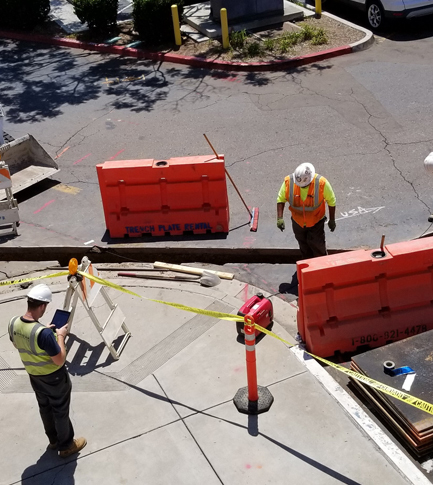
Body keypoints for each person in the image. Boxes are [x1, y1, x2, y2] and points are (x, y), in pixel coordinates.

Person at [8, 284, 86, 458]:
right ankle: (66, 446)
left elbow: (17, 343)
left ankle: (53, 440)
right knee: (60, 409)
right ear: (42, 306)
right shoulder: (43, 334)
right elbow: (59, 360)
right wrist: (59, 336)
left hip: (34, 376)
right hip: (54, 377)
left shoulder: (13, 322)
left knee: (45, 407)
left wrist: (46, 332)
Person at [276, 162, 336, 259]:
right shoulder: (289, 182)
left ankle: (321, 267)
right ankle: (308, 267)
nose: (302, 187)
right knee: (303, 246)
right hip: (297, 223)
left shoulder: (321, 183)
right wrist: (279, 218)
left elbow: (331, 201)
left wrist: (332, 220)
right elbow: (281, 199)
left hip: (316, 222)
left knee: (318, 246)